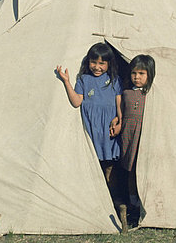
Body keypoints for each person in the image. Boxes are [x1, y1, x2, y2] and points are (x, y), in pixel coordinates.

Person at [57, 43, 123, 193]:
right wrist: (66, 81)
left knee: (109, 166)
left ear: (109, 64)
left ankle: (114, 198)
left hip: (108, 130)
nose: (97, 67)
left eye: (102, 63)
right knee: (93, 166)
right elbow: (76, 102)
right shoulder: (84, 80)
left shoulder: (114, 80)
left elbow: (119, 103)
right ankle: (97, 197)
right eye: (93, 62)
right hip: (92, 130)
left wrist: (120, 121)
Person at [111, 54, 156, 221]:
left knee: (143, 167)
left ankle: (144, 202)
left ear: (150, 74)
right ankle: (132, 203)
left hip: (143, 134)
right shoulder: (127, 93)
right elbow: (121, 113)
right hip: (129, 134)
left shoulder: (151, 94)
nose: (137, 77)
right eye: (134, 73)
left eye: (141, 74)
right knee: (130, 168)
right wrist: (117, 120)